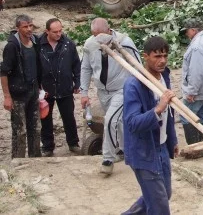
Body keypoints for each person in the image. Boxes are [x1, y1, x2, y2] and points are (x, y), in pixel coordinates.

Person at [122, 36, 178, 215]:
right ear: (145, 56)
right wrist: (158, 109)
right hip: (143, 150)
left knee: (163, 194)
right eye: (156, 56)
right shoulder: (134, 85)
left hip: (161, 146)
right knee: (159, 206)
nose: (162, 61)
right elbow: (132, 123)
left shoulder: (164, 77)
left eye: (164, 55)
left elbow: (170, 113)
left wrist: (173, 139)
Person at [80, 18, 140, 175]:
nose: (99, 38)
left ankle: (107, 159)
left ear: (109, 30)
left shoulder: (124, 41)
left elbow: (137, 65)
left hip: (121, 89)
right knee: (118, 122)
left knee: (110, 120)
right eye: (95, 35)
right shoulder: (89, 44)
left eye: (101, 34)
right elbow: (86, 68)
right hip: (102, 91)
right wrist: (84, 92)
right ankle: (124, 150)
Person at [1, 15, 42, 158]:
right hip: (18, 94)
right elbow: (4, 72)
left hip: (33, 91)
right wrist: (7, 97)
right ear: (18, 28)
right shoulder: (12, 46)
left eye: (31, 25)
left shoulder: (35, 42)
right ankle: (18, 160)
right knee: (20, 130)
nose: (29, 29)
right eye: (25, 27)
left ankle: (35, 159)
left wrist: (40, 88)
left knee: (36, 128)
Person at [39, 18, 81, 157]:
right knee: (45, 119)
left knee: (69, 117)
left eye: (60, 31)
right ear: (47, 31)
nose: (59, 34)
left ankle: (73, 144)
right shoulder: (38, 45)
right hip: (46, 89)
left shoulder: (68, 44)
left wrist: (77, 82)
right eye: (55, 32)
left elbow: (76, 64)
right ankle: (47, 146)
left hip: (65, 87)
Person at [180, 18, 203, 144]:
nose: (186, 34)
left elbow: (196, 71)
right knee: (202, 115)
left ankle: (195, 146)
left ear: (193, 30)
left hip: (199, 89)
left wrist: (191, 91)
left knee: (186, 115)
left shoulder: (197, 46)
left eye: (187, 31)